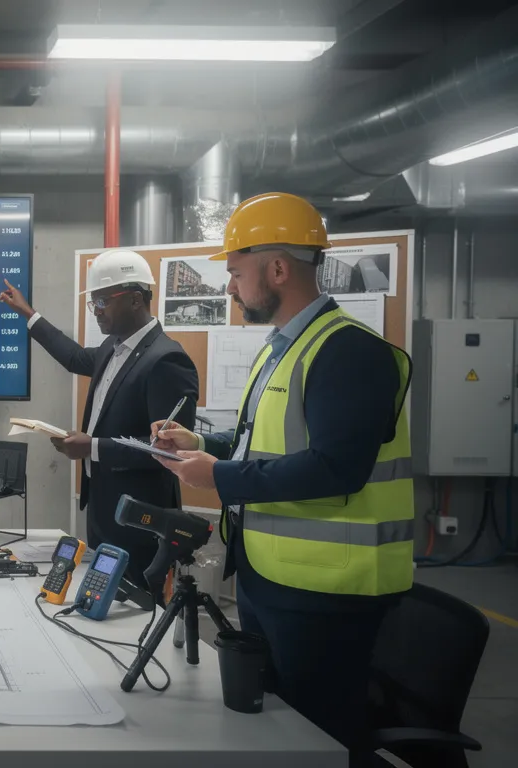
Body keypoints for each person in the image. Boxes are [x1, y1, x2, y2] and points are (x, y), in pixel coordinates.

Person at [152, 192, 413, 761]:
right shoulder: (282, 350)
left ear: (277, 268)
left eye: (236, 272)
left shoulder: (348, 353)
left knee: (318, 740)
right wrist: (199, 444)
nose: (229, 288)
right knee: (281, 733)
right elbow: (263, 445)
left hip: (329, 591)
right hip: (276, 577)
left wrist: (220, 477)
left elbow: (337, 468)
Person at [0, 249, 198, 598]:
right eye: (94, 303)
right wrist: (28, 315)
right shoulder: (113, 347)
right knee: (101, 604)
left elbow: (168, 450)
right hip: (104, 508)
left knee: (136, 611)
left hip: (140, 517)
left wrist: (91, 447)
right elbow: (75, 357)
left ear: (135, 299)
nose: (97, 311)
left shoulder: (166, 359)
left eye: (103, 301)